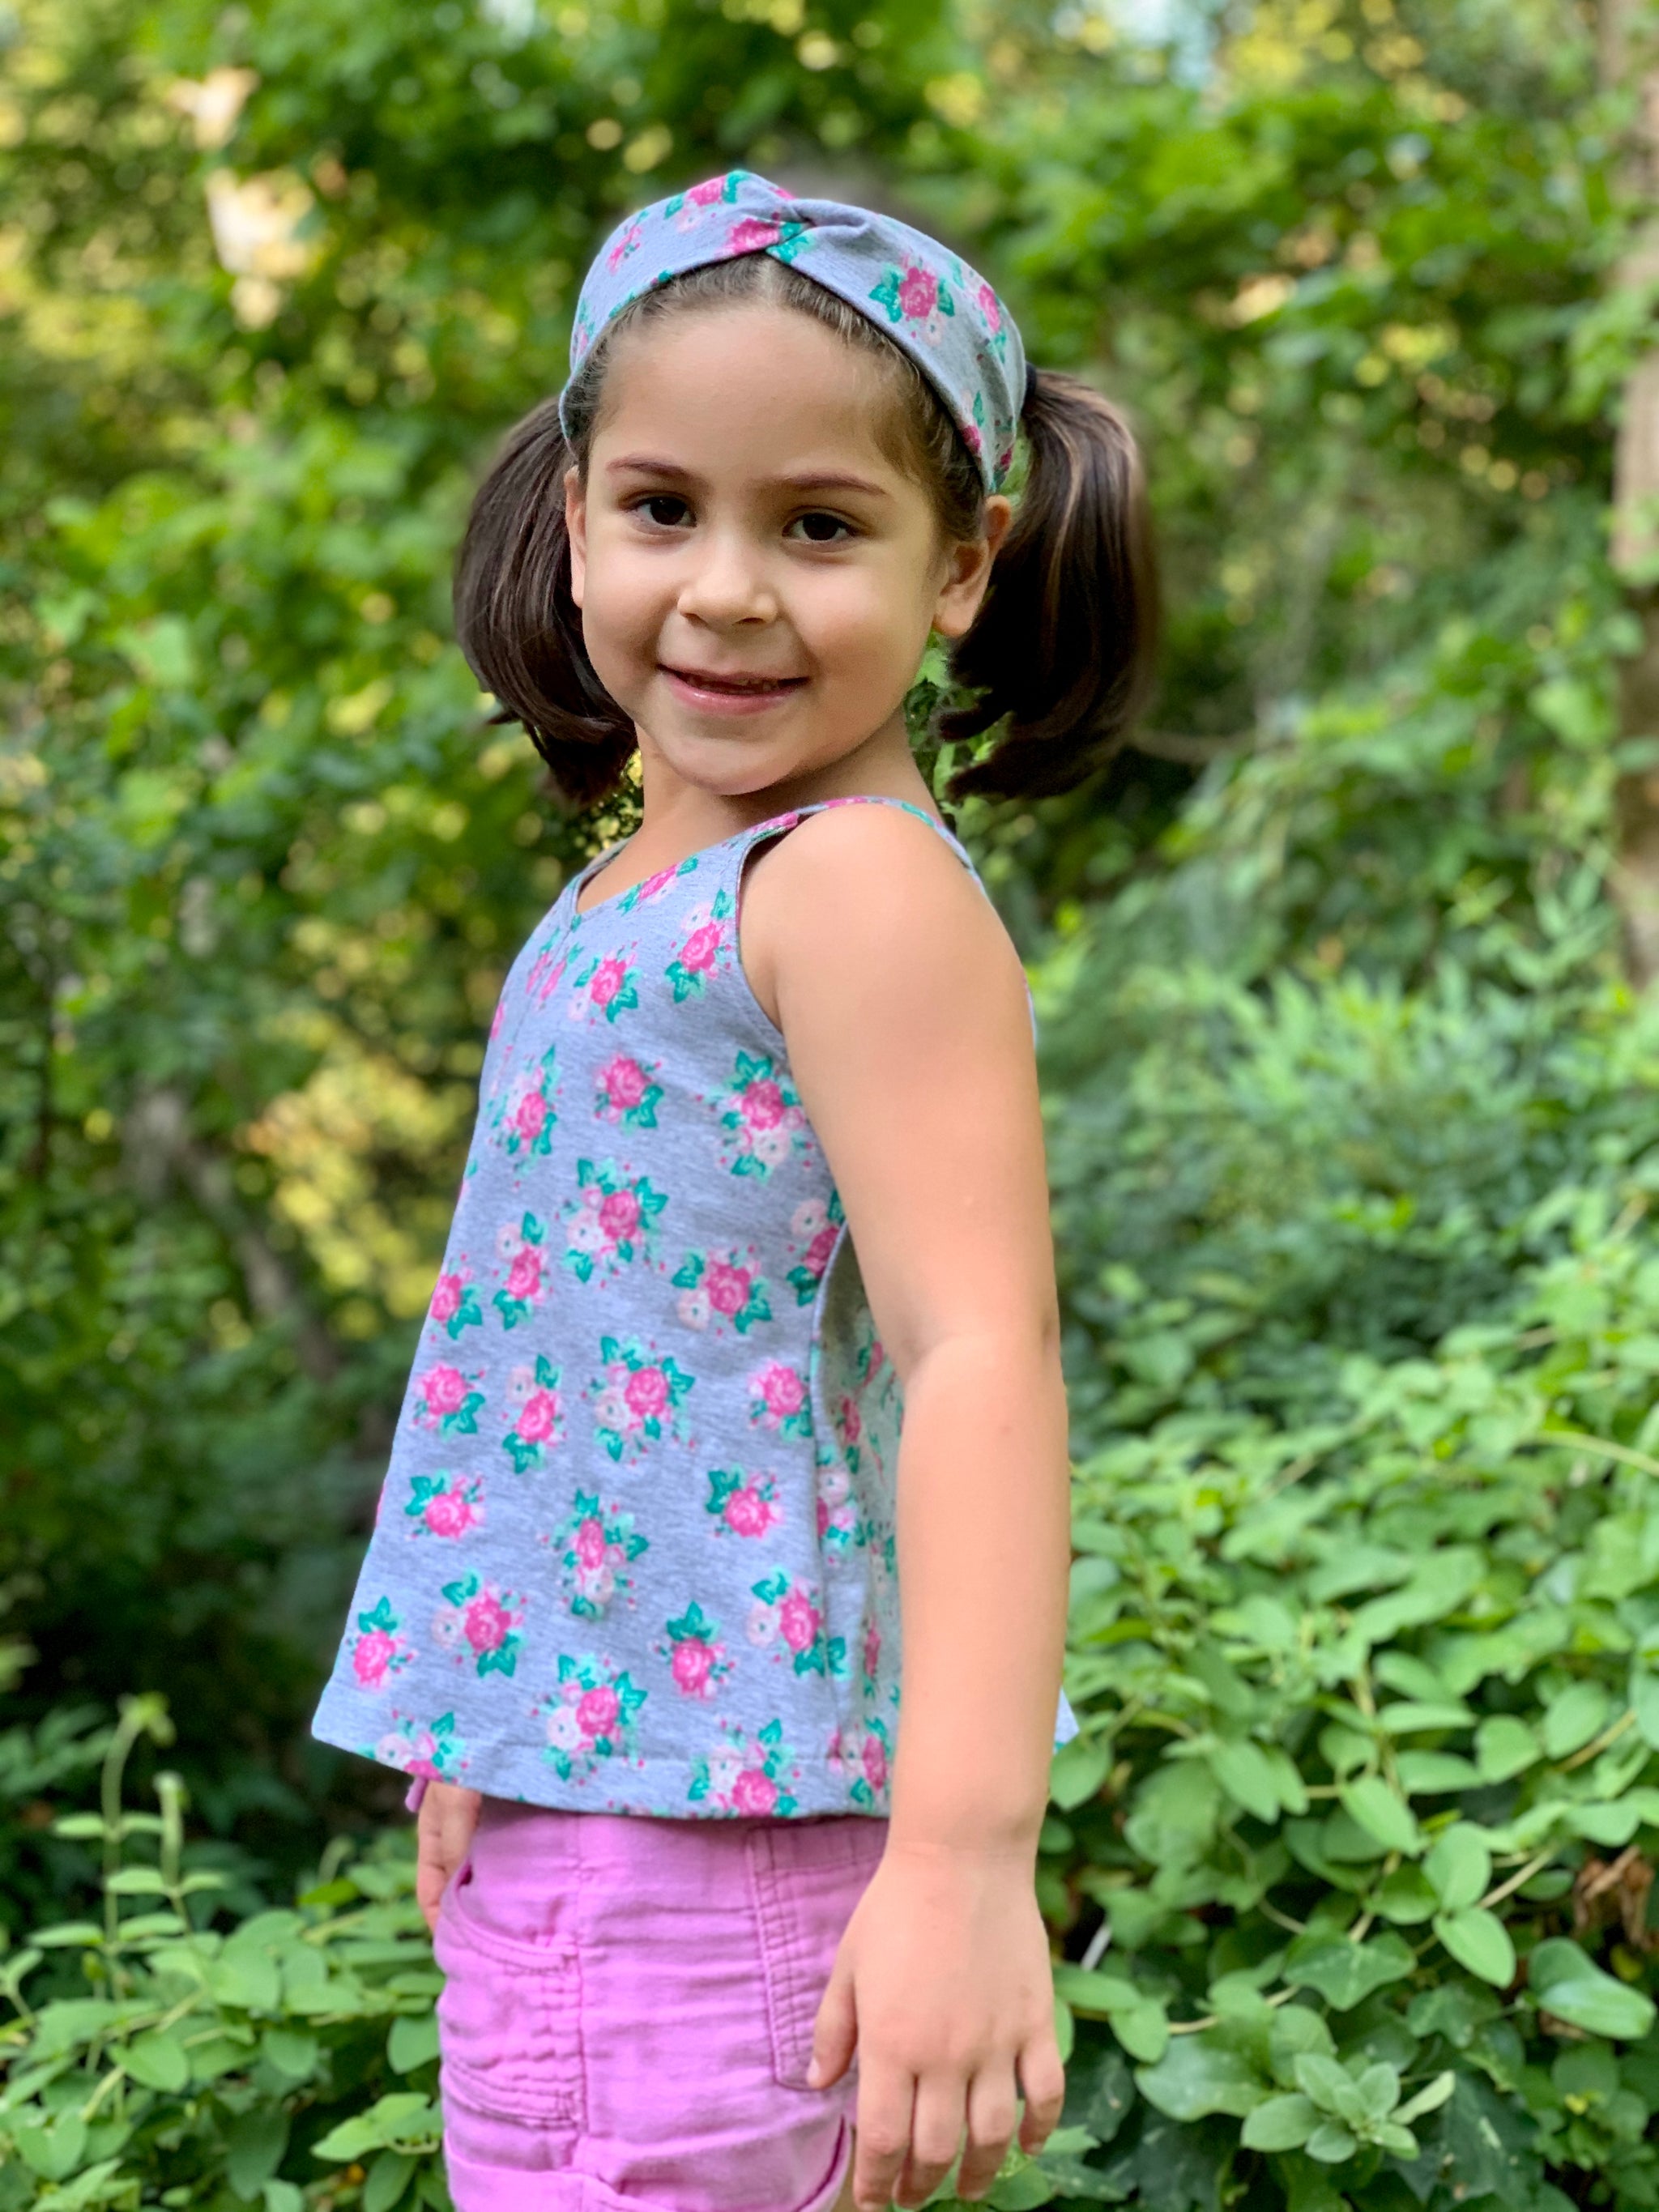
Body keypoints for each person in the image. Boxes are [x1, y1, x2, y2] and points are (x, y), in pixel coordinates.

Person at [312, 168, 1155, 2212]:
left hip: (724, 1878)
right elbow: (589, 1346)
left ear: (963, 566)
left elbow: (977, 1356)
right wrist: (498, 1712)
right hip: (600, 1831)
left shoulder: (846, 886)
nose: (727, 589)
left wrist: (963, 1864)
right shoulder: (638, 886)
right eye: (664, 507)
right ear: (573, 510)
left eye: (822, 526)